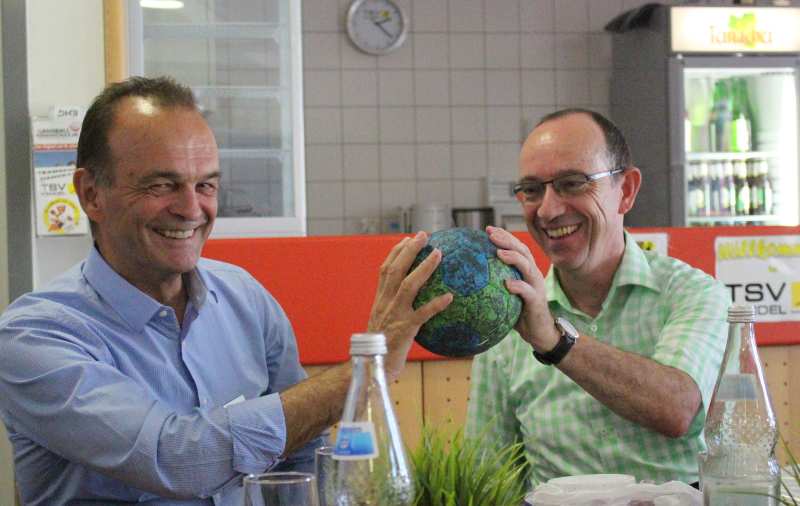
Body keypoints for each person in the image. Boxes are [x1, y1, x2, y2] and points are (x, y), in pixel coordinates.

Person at [0, 76, 452, 506]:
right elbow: (173, 458)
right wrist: (366, 367)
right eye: (162, 185)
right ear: (91, 194)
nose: (191, 209)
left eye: (206, 185)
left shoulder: (245, 299)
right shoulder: (32, 337)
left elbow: (299, 455)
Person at [466, 108, 729, 487]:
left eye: (572, 183)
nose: (549, 210)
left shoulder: (693, 294)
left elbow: (676, 407)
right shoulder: (507, 320)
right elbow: (486, 477)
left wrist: (555, 341)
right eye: (532, 190)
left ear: (626, 191)